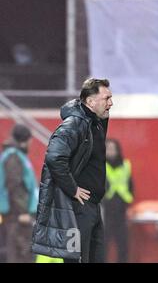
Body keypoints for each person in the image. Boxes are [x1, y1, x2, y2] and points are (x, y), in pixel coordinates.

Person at [31, 78, 113, 263]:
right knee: (77, 260)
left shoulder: (95, 123)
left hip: (92, 206)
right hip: (76, 209)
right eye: (106, 98)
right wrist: (72, 188)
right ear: (91, 101)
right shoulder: (73, 124)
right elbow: (54, 158)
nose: (111, 103)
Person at [0, 124, 38, 263]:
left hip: (18, 214)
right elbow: (14, 186)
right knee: (20, 253)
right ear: (25, 140)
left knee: (23, 252)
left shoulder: (16, 155)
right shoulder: (13, 157)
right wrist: (22, 212)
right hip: (17, 215)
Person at [103, 139, 134, 263]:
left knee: (123, 243)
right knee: (103, 243)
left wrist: (128, 200)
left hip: (121, 208)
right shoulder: (100, 164)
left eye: (112, 148)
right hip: (105, 208)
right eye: (107, 149)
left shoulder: (125, 165)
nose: (110, 151)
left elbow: (130, 184)